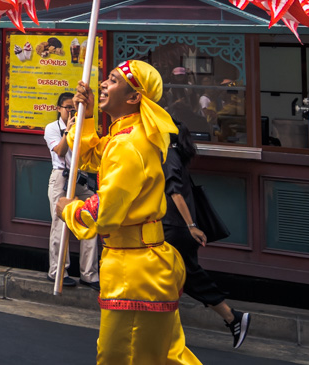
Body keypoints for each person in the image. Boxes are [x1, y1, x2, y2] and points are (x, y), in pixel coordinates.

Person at [55, 61, 202, 365]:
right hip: (138, 263)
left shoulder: (128, 144)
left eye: (112, 80)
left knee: (122, 356)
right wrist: (89, 116)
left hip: (136, 272)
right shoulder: (124, 136)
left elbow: (104, 211)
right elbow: (91, 157)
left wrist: (69, 209)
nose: (104, 85)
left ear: (134, 97)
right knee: (167, 356)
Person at [164, 120, 250, 349]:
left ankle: (232, 317)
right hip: (177, 226)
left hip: (175, 227)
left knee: (188, 276)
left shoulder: (169, 154)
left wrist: (191, 225)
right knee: (179, 277)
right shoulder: (175, 154)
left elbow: (175, 193)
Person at [45, 91, 99, 289]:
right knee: (60, 225)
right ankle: (57, 271)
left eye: (74, 108)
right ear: (58, 109)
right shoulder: (52, 128)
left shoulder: (83, 127)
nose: (71, 111)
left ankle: (89, 274)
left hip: (81, 177)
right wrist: (68, 131)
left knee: (90, 219)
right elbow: (59, 151)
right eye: (67, 107)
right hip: (61, 177)